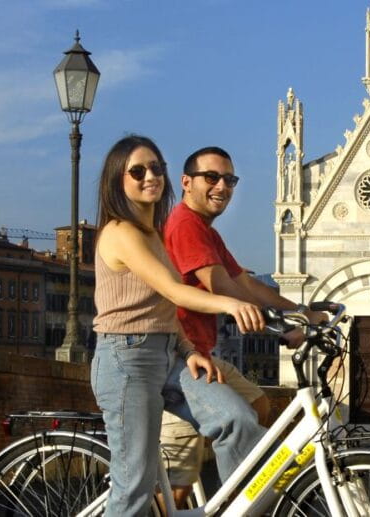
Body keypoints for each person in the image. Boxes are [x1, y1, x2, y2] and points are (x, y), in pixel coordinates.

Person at [90, 135, 267, 516]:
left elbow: (165, 307)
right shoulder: (120, 232)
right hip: (126, 361)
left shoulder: (154, 234)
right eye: (138, 171)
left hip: (169, 354)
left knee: (236, 419)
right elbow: (174, 291)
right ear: (117, 180)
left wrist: (187, 351)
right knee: (134, 489)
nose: (150, 176)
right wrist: (231, 303)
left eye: (156, 168)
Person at [160, 146, 325, 509]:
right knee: (174, 489)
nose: (222, 186)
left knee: (257, 403)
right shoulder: (185, 224)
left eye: (230, 179)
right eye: (212, 177)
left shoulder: (206, 232)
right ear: (186, 182)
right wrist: (276, 326)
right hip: (174, 357)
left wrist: (300, 311)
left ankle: (233, 490)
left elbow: (247, 284)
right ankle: (240, 506)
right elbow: (222, 286)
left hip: (201, 357)